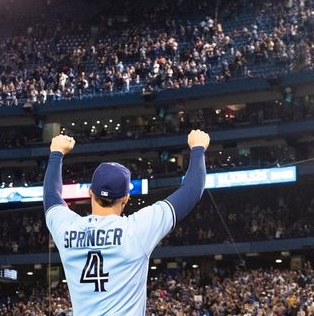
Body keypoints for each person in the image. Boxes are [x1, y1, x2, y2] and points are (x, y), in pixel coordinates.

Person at [43, 129, 210, 315]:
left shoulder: (67, 230)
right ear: (125, 198)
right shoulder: (135, 230)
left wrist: (56, 152)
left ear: (90, 192)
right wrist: (198, 148)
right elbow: (192, 190)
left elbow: (51, 197)